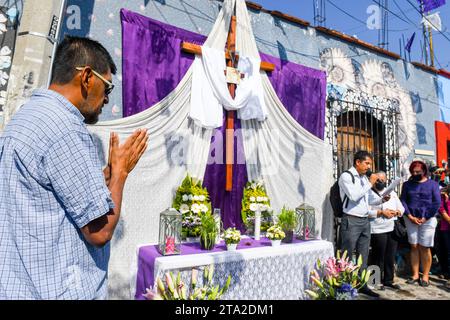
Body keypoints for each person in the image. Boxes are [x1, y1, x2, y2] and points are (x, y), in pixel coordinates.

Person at [0, 36, 148, 299]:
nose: (105, 100)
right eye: (108, 88)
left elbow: (53, 193)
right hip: (52, 289)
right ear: (87, 77)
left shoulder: (26, 116)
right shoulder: (65, 128)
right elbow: (99, 231)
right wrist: (121, 174)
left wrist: (108, 175)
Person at [338, 150, 380, 297]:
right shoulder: (346, 176)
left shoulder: (363, 179)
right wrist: (370, 183)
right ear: (357, 162)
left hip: (364, 220)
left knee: (363, 255)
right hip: (351, 220)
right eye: (366, 163)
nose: (369, 166)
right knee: (347, 254)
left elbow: (369, 199)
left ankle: (362, 285)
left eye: (370, 163)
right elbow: (354, 196)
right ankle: (345, 285)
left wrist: (382, 199)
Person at [400, 160, 441, 287]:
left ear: (424, 171)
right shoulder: (407, 184)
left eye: (418, 171)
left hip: (428, 220)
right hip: (411, 218)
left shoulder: (433, 184)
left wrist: (426, 217)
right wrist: (410, 216)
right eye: (413, 171)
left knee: (425, 247)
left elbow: (436, 203)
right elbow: (403, 201)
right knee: (414, 246)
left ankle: (426, 276)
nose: (415, 173)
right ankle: (415, 274)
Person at [368, 171, 405, 290]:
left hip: (392, 227)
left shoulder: (392, 193)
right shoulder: (368, 193)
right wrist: (381, 212)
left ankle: (388, 280)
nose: (380, 182)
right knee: (377, 256)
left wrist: (398, 212)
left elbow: (401, 208)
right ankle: (373, 281)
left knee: (390, 256)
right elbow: (365, 211)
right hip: (377, 228)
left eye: (383, 180)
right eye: (378, 180)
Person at [437, 185, 450, 289]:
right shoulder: (443, 192)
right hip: (446, 227)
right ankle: (446, 273)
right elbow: (441, 209)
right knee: (447, 250)